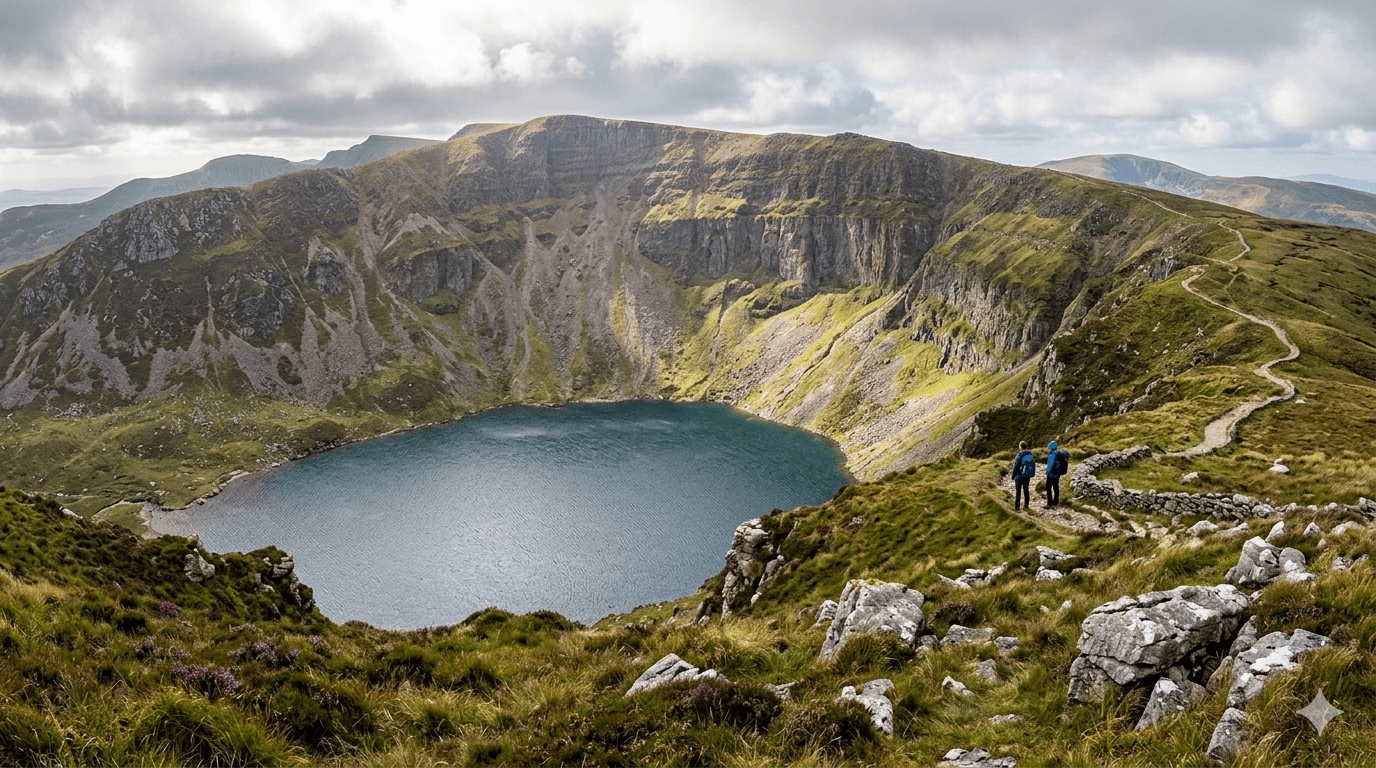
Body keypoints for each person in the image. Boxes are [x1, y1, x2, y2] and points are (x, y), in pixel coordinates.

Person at [1011, 441, 1035, 511]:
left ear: (1020, 447)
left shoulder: (1019, 454)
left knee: (1018, 491)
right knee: (1026, 490)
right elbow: (1033, 465)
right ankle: (1026, 505)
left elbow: (1016, 466)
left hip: (1019, 475)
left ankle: (1017, 507)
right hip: (1027, 475)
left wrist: (1013, 475)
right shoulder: (1030, 454)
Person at [1046, 440, 1069, 507]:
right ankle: (1056, 502)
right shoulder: (1060, 453)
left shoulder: (1052, 454)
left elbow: (1050, 465)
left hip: (1051, 474)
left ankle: (1049, 503)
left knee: (1048, 488)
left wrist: (1047, 472)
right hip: (1057, 473)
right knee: (1056, 487)